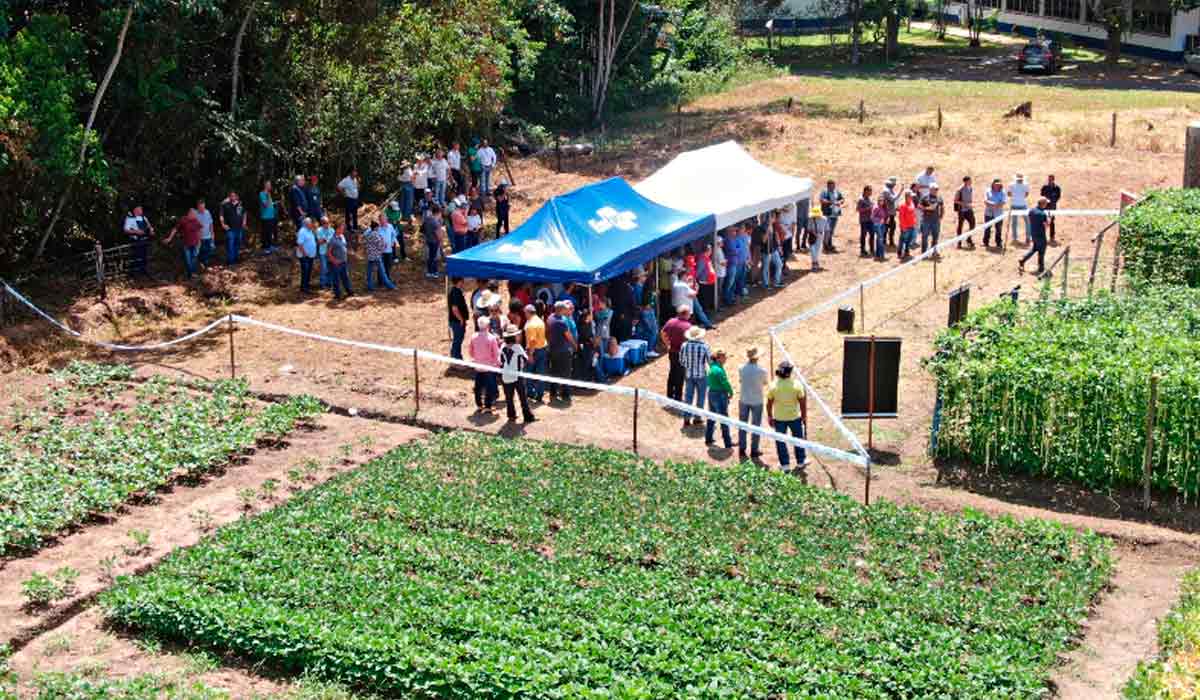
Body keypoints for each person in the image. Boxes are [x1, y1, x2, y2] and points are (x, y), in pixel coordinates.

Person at [767, 360, 807, 473]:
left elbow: (769, 403)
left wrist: (770, 416)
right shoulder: (797, 385)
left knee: (780, 441)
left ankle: (785, 464)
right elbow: (802, 402)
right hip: (795, 417)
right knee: (798, 439)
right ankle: (801, 461)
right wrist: (804, 416)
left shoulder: (773, 385)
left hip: (779, 418)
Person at [738, 347, 768, 461]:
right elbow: (765, 383)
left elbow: (740, 380)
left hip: (744, 399)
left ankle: (742, 448)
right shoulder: (762, 371)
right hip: (757, 401)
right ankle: (754, 450)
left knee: (742, 425)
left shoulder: (741, 368)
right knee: (756, 426)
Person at [500, 328, 535, 423]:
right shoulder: (517, 347)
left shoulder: (502, 346)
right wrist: (530, 351)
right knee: (523, 397)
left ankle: (511, 415)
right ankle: (528, 417)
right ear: (514, 337)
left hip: (505, 375)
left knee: (509, 397)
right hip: (517, 376)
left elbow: (500, 360)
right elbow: (528, 360)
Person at [679, 326, 710, 428]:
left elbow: (682, 361)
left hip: (688, 374)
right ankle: (697, 418)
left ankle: (686, 419)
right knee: (700, 397)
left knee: (688, 397)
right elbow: (709, 361)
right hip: (701, 375)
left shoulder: (684, 345)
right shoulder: (704, 346)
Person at [546, 301, 577, 402]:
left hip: (553, 349)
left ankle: (553, 392)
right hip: (563, 351)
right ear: (561, 310)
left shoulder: (550, 318)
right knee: (566, 372)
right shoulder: (561, 322)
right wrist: (575, 345)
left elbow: (547, 332)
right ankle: (565, 393)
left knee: (554, 371)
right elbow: (569, 336)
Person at [469, 316, 501, 413]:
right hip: (489, 366)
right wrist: (498, 364)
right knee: (489, 387)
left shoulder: (473, 337)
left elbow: (470, 352)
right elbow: (496, 353)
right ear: (488, 325)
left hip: (478, 366)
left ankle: (479, 405)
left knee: (478, 386)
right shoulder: (491, 338)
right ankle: (488, 406)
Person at [661, 305, 692, 402]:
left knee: (672, 373)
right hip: (682, 354)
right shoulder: (688, 326)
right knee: (680, 376)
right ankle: (678, 398)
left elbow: (662, 333)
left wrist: (667, 344)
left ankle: (669, 395)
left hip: (672, 351)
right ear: (685, 314)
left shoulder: (670, 321)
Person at [704, 349, 734, 449]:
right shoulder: (719, 370)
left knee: (711, 417)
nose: (726, 359)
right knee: (724, 419)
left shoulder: (712, 368)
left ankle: (708, 438)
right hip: (720, 395)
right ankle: (728, 443)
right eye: (724, 357)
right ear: (719, 358)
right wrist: (730, 391)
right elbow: (725, 383)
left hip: (711, 393)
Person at [163, 208, 202, 279]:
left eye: (195, 215)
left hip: (196, 244)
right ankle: (191, 274)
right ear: (189, 214)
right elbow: (175, 229)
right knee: (188, 260)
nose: (195, 216)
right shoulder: (183, 220)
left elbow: (199, 231)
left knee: (194, 259)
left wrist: (200, 242)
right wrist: (169, 238)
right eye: (194, 214)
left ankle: (192, 274)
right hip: (186, 244)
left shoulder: (196, 221)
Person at [1019, 197, 1051, 275]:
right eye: (1046, 203)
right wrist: (1049, 219)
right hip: (1041, 235)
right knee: (1041, 251)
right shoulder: (1042, 214)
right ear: (1043, 204)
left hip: (1033, 233)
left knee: (1035, 248)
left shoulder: (1031, 211)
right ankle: (1041, 268)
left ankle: (1023, 260)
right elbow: (1046, 225)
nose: (1047, 204)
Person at [524, 302, 548, 402]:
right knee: (540, 372)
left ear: (528, 312)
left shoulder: (530, 325)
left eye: (525, 313)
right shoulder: (540, 321)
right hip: (542, 348)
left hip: (534, 350)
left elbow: (532, 341)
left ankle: (530, 392)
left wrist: (530, 354)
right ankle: (540, 393)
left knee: (528, 372)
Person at [123, 205, 155, 277]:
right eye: (140, 209)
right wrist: (136, 232)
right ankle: (135, 275)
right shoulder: (130, 218)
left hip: (145, 240)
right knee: (136, 258)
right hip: (136, 241)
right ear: (135, 210)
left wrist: (151, 230)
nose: (141, 210)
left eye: (141, 208)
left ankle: (144, 273)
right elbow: (125, 230)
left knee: (144, 257)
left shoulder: (143, 217)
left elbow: (149, 226)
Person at [363, 222, 396, 291]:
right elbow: (380, 245)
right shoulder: (375, 235)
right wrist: (385, 245)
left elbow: (365, 242)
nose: (378, 228)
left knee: (369, 272)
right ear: (375, 228)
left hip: (370, 256)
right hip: (377, 256)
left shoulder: (368, 234)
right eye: (377, 227)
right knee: (382, 272)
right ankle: (390, 286)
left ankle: (369, 286)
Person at [219, 191, 246, 265]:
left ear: (236, 196)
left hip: (239, 228)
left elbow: (244, 213)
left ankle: (235, 259)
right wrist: (223, 224)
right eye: (231, 196)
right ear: (229, 197)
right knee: (230, 245)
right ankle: (231, 262)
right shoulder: (225, 204)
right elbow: (221, 215)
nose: (233, 197)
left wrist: (244, 222)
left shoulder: (240, 204)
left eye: (234, 195)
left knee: (237, 244)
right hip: (230, 229)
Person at [327, 224, 353, 299]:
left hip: (344, 261)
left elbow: (344, 246)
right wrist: (334, 261)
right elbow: (328, 252)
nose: (343, 230)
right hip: (336, 263)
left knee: (345, 277)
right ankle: (338, 294)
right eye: (341, 229)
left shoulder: (342, 237)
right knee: (336, 279)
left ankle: (349, 291)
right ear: (337, 229)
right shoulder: (332, 239)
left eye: (343, 228)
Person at [819, 180, 844, 253]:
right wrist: (831, 202)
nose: (832, 187)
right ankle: (825, 246)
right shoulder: (824, 192)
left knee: (832, 231)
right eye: (831, 186)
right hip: (827, 214)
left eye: (833, 186)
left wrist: (840, 202)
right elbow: (821, 200)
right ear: (828, 186)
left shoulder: (837, 192)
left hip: (835, 214)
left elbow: (842, 199)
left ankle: (829, 244)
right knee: (827, 230)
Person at [920, 184, 945, 255]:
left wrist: (941, 216)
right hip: (926, 220)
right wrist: (927, 208)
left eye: (937, 189)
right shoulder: (925, 197)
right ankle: (924, 253)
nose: (936, 191)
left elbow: (942, 207)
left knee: (935, 236)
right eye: (935, 189)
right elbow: (919, 206)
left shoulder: (939, 197)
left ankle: (934, 251)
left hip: (936, 220)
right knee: (924, 236)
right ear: (930, 189)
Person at [295, 217, 317, 294]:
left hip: (310, 256)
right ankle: (304, 288)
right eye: (311, 222)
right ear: (306, 224)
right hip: (304, 256)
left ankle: (306, 285)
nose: (312, 224)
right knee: (305, 271)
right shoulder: (302, 231)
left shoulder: (310, 230)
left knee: (309, 271)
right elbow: (299, 244)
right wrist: (304, 254)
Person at [1008, 173, 1031, 245]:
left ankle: (1027, 237)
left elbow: (1026, 194)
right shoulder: (1011, 184)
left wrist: (1016, 197)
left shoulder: (1025, 184)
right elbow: (1026, 194)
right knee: (1015, 222)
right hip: (1016, 205)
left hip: (1022, 205)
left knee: (1027, 222)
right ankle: (1015, 238)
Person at [763, 213, 784, 289]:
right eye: (773, 217)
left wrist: (779, 247)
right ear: (769, 218)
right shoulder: (763, 227)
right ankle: (766, 284)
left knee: (779, 264)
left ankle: (777, 282)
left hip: (774, 249)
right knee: (766, 268)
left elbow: (776, 237)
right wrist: (767, 232)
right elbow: (763, 240)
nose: (774, 219)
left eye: (775, 218)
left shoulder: (774, 226)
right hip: (766, 251)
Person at [983, 178, 1007, 248]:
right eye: (996, 184)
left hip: (999, 214)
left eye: (999, 184)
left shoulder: (1003, 192)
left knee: (999, 229)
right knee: (987, 228)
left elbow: (1003, 201)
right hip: (988, 213)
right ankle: (986, 242)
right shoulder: (988, 191)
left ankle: (998, 242)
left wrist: (997, 205)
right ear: (993, 184)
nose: (997, 186)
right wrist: (993, 204)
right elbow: (985, 200)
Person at [421, 204, 443, 279]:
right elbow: (438, 235)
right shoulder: (435, 222)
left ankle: (430, 271)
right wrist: (440, 242)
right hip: (434, 241)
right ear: (438, 213)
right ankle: (433, 272)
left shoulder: (427, 219)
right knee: (434, 257)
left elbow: (422, 229)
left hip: (428, 240)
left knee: (430, 256)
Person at [954, 176, 975, 249]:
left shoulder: (971, 188)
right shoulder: (960, 189)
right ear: (965, 181)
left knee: (973, 224)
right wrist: (965, 204)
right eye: (970, 180)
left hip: (969, 209)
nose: (971, 182)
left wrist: (971, 204)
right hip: (962, 211)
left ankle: (969, 239)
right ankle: (959, 242)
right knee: (960, 226)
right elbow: (955, 200)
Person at [1040, 174, 1061, 242]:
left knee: (1052, 221)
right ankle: (1042, 236)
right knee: (1043, 221)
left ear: (1053, 180)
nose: (1049, 181)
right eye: (1049, 179)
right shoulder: (1044, 187)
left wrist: (1053, 202)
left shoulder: (1057, 188)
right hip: (1044, 206)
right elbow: (1042, 194)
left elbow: (1058, 197)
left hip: (1052, 207)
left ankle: (1052, 237)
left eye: (1051, 179)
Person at [897, 190, 918, 260]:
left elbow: (913, 214)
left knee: (909, 240)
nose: (912, 197)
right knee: (903, 240)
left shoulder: (912, 203)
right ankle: (900, 253)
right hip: (905, 227)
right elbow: (901, 217)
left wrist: (914, 222)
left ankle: (906, 251)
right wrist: (903, 227)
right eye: (911, 196)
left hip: (912, 225)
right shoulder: (903, 205)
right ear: (907, 197)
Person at [259, 180, 278, 253]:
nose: (270, 186)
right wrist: (267, 196)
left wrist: (274, 203)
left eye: (270, 185)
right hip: (265, 217)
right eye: (269, 185)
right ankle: (266, 248)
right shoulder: (262, 194)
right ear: (266, 186)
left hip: (271, 216)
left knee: (270, 232)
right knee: (266, 232)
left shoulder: (269, 194)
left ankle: (270, 246)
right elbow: (265, 205)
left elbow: (269, 204)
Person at [315, 216, 334, 289]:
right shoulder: (319, 230)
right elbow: (319, 242)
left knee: (330, 268)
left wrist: (325, 240)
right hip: (322, 252)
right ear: (322, 224)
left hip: (330, 252)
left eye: (328, 222)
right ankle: (322, 283)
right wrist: (327, 240)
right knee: (324, 268)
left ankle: (329, 283)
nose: (327, 224)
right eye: (325, 223)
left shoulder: (332, 230)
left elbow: (332, 240)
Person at [195, 199, 215, 267]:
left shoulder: (207, 212)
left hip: (208, 236)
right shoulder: (195, 214)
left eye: (203, 207)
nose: (202, 209)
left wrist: (212, 233)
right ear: (198, 207)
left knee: (208, 250)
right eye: (201, 208)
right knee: (201, 251)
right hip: (200, 237)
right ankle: (202, 264)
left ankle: (205, 264)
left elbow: (211, 223)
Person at [857, 186, 874, 257]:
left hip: (870, 219)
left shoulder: (869, 199)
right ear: (865, 191)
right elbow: (858, 209)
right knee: (863, 235)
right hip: (864, 220)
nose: (871, 193)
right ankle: (862, 250)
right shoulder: (861, 199)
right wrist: (868, 208)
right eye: (870, 191)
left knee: (872, 234)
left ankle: (872, 249)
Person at [883, 176, 900, 248]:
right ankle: (884, 241)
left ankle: (890, 241)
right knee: (886, 228)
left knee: (892, 227)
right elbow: (893, 199)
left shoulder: (890, 190)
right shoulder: (886, 191)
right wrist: (900, 191)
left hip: (892, 212)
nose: (894, 185)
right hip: (887, 213)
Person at [808, 204, 827, 271]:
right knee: (812, 250)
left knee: (818, 250)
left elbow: (826, 229)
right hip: (812, 236)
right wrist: (814, 233)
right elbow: (809, 228)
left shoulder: (824, 219)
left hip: (820, 236)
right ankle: (815, 263)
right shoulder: (810, 219)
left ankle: (815, 263)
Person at [871, 194, 888, 261]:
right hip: (877, 225)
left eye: (883, 201)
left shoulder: (883, 207)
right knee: (880, 240)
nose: (882, 202)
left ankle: (878, 255)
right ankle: (882, 255)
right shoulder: (876, 207)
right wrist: (879, 220)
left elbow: (884, 215)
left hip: (882, 225)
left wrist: (885, 219)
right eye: (880, 200)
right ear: (878, 201)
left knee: (879, 240)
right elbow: (872, 217)